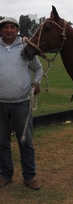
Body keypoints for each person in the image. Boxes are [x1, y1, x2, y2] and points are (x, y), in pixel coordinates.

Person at [0, 17, 43, 190]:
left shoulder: (26, 48)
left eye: (12, 27)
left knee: (25, 142)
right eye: (5, 27)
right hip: (0, 103)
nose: (9, 30)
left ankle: (29, 176)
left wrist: (37, 82)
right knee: (1, 142)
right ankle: (5, 174)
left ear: (17, 30)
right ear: (1, 30)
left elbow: (38, 68)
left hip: (22, 103)